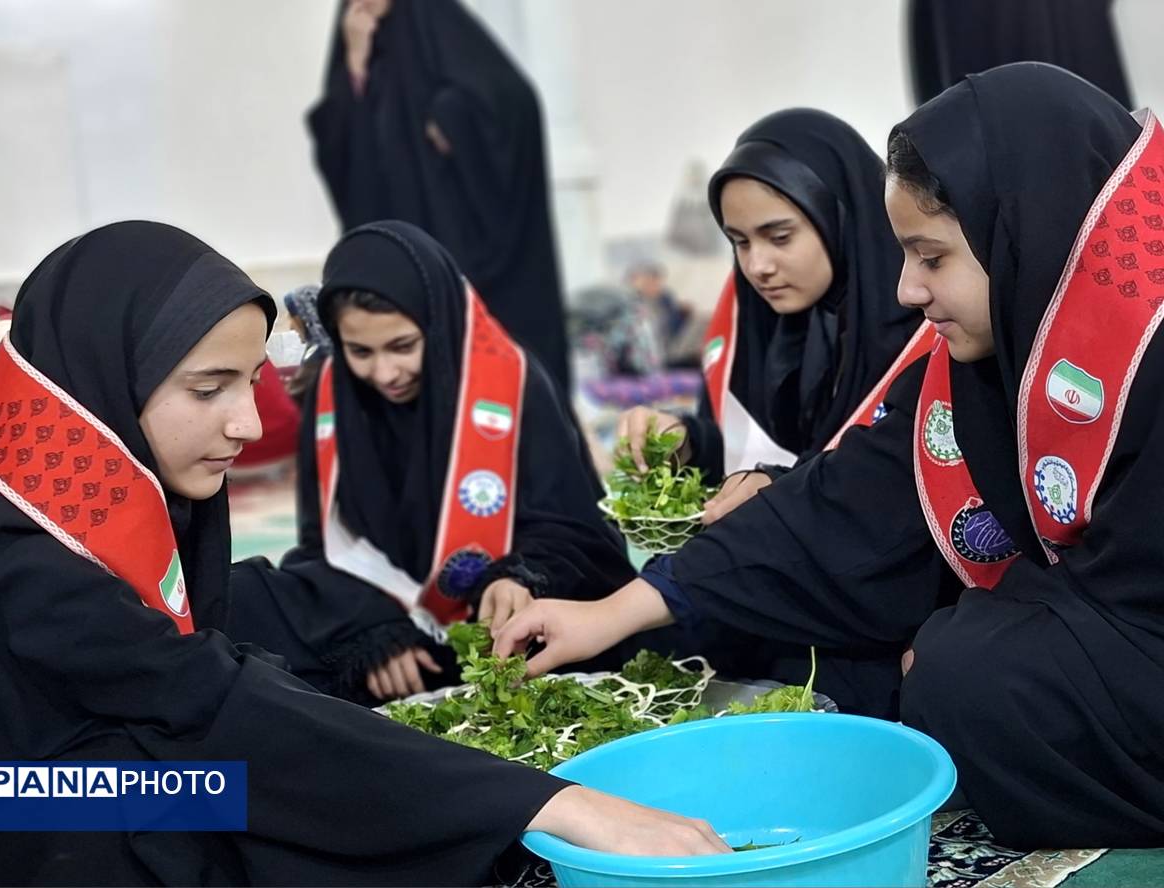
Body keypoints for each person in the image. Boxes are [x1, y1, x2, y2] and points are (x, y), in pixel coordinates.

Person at [495, 63, 1164, 848]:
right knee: (887, 672)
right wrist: (612, 612)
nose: (907, 291)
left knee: (960, 675)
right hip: (1089, 633)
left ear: (1021, 228)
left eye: (934, 257)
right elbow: (840, 501)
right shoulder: (987, 347)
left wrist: (988, 627)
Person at [0, 221, 731, 886]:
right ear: (106, 374)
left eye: (252, 384)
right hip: (16, 798)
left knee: (297, 750)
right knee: (254, 815)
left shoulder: (47, 468)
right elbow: (204, 699)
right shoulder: (25, 557)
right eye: (208, 390)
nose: (246, 425)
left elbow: (205, 679)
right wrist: (549, 801)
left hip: (56, 765)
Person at [229, 221, 636, 704]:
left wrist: (516, 577)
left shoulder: (513, 384)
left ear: (437, 323)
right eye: (361, 351)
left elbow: (575, 531)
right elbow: (326, 544)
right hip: (389, 626)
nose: (384, 373)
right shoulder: (334, 393)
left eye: (402, 346)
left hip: (502, 627)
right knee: (241, 606)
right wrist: (375, 633)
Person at [618, 110, 922, 524]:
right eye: (739, 242)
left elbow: (899, 486)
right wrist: (683, 439)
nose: (758, 266)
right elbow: (747, 449)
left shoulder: (918, 324)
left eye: (780, 238)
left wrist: (784, 488)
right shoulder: (755, 316)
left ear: (838, 218)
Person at [306, 0, 571, 392]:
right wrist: (357, 61)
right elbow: (336, 145)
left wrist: (453, 118)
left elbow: (514, 101)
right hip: (399, 245)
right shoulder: (355, 39)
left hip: (465, 244)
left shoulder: (437, 18)